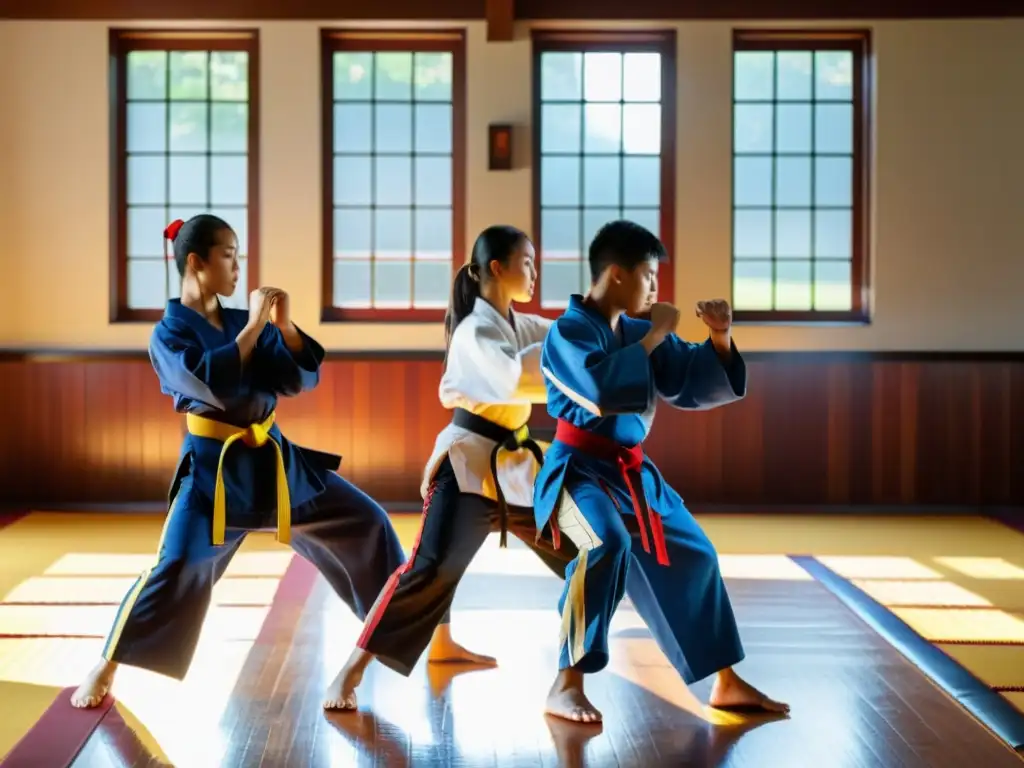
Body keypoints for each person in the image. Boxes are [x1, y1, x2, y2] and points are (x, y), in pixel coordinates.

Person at [69, 214, 475, 708]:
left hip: (278, 467)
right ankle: (107, 663)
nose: (238, 267)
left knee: (368, 522)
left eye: (239, 255)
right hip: (213, 475)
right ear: (196, 262)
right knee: (175, 565)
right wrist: (257, 326)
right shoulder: (168, 334)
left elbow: (293, 381)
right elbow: (211, 384)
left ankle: (410, 635)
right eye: (228, 254)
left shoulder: (245, 322)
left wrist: (283, 329)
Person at [534, 220, 790, 723]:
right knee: (606, 545)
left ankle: (726, 681)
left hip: (631, 472)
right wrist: (655, 335)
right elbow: (600, 391)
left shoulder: (634, 328)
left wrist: (719, 335)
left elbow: (690, 379)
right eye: (648, 275)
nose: (655, 287)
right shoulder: (567, 331)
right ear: (617, 275)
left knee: (693, 552)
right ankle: (565, 683)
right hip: (576, 474)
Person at [323, 225, 576, 711]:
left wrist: (614, 326)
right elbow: (514, 378)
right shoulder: (474, 331)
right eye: (527, 262)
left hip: (518, 470)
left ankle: (567, 678)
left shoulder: (519, 324)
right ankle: (348, 674)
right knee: (431, 569)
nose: (534, 272)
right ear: (497, 268)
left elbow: (564, 333)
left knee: (587, 555)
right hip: (467, 465)